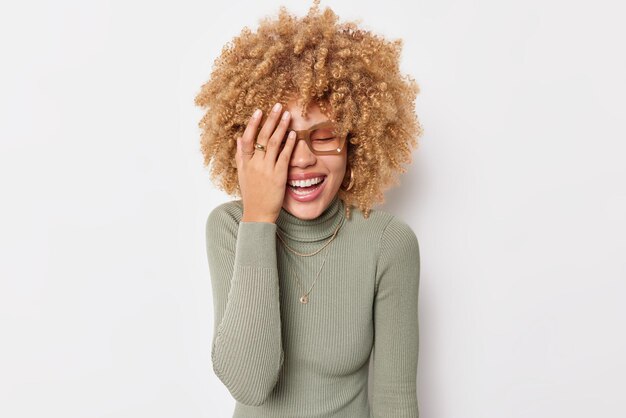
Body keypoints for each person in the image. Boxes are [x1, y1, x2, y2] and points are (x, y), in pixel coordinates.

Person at [194, 1, 423, 416]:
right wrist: (259, 218)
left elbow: (396, 401)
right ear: (252, 146)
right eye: (280, 139)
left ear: (356, 140)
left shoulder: (388, 243)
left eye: (323, 136)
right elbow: (249, 383)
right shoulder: (230, 227)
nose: (300, 159)